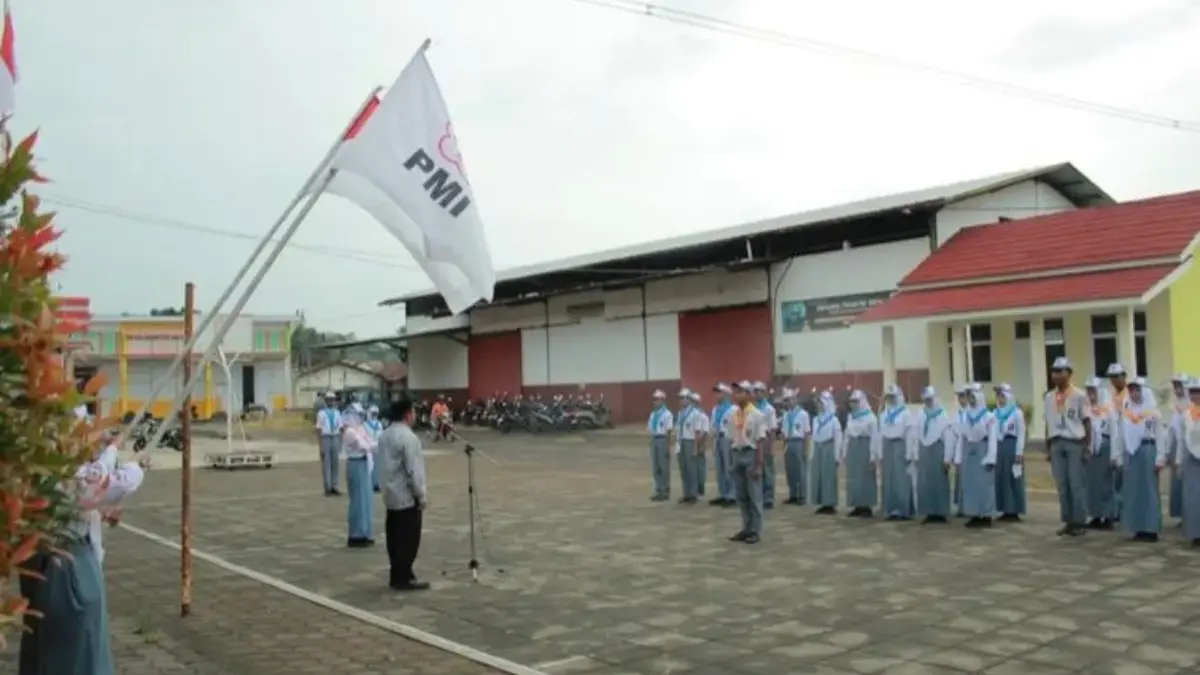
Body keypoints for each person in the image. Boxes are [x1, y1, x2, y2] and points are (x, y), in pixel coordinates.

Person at [19, 440, 150, 675]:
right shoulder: (46, 453)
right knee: (78, 653)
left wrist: (96, 513)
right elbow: (96, 484)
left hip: (44, 559)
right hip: (66, 564)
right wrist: (132, 465)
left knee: (46, 651)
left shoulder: (28, 445)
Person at [378, 399, 430, 591]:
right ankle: (404, 575)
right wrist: (421, 494)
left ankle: (397, 573)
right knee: (408, 538)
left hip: (390, 494)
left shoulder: (384, 435)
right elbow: (413, 470)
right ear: (408, 415)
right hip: (406, 495)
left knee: (394, 537)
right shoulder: (408, 438)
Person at [1112, 377, 1166, 543]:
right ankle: (1137, 527)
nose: (1134, 393)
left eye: (1137, 390)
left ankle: (1151, 528)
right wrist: (1118, 456)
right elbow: (1120, 435)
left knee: (1149, 491)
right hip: (1131, 453)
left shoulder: (1154, 413)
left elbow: (1160, 436)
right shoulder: (1126, 412)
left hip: (1147, 450)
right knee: (1133, 491)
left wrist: (1160, 457)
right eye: (1132, 390)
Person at [1045, 357, 1091, 537]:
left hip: (1074, 441)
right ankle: (1068, 520)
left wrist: (1087, 446)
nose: (1056, 375)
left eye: (1060, 371)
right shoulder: (1049, 397)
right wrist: (1048, 446)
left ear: (1069, 373)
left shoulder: (1079, 395)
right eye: (1054, 371)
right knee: (1062, 484)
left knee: (1076, 483)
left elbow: (1087, 421)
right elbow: (1048, 422)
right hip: (1056, 441)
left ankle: (1079, 521)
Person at [726, 381, 768, 544]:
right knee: (741, 495)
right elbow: (731, 439)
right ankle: (746, 527)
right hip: (738, 453)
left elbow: (760, 441)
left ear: (749, 395)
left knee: (754, 494)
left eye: (741, 391)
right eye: (735, 392)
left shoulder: (757, 414)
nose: (737, 395)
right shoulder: (734, 415)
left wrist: (759, 464)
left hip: (751, 454)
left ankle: (755, 530)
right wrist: (731, 461)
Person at [956, 384, 997, 528]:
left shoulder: (988, 416)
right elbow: (961, 437)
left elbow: (992, 438)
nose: (971, 400)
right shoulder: (966, 415)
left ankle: (986, 515)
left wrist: (991, 456)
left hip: (983, 450)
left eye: (973, 397)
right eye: (969, 397)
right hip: (969, 451)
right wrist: (958, 456)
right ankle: (973, 513)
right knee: (970, 484)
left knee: (984, 484)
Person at [916, 386, 955, 524]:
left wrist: (947, 458)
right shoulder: (921, 414)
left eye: (930, 400)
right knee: (925, 482)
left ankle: (940, 512)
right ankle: (929, 511)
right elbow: (917, 433)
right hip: (925, 452)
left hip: (938, 451)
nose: (928, 403)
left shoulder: (942, 415)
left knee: (939, 482)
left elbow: (949, 439)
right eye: (926, 400)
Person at [1083, 378, 1118, 530]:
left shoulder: (1108, 410)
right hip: (1091, 448)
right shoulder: (1086, 410)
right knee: (1092, 483)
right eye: (1089, 390)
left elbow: (1115, 433)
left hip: (1105, 446)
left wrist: (1114, 455)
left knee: (1106, 483)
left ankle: (1108, 516)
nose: (1091, 394)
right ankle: (1095, 515)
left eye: (1093, 390)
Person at [342, 403, 378, 548]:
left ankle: (366, 533)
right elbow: (365, 446)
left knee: (366, 500)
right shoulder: (350, 432)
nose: (362, 418)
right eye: (359, 415)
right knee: (358, 501)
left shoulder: (360, 429)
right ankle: (356, 535)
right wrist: (379, 442)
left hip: (364, 464)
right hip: (356, 463)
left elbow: (371, 443)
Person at [879, 384, 916, 520]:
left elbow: (911, 434)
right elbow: (881, 433)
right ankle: (890, 509)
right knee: (889, 478)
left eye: (893, 397)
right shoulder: (884, 415)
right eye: (888, 397)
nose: (890, 400)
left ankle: (903, 509)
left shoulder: (905, 413)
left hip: (901, 445)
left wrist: (910, 452)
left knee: (902, 479)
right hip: (887, 446)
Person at [842, 390, 881, 518]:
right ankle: (857, 504)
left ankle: (867, 506)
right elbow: (847, 435)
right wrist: (844, 452)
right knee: (854, 478)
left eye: (856, 402)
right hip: (853, 449)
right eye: (852, 402)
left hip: (865, 448)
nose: (853, 405)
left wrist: (873, 456)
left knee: (866, 478)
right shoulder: (851, 417)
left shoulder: (871, 417)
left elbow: (875, 438)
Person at [993, 383, 1027, 522]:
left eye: (1002, 396)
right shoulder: (995, 413)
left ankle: (1014, 510)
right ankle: (1004, 509)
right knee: (1001, 478)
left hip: (1012, 445)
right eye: (998, 396)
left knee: (1013, 478)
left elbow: (1021, 433)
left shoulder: (1016, 412)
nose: (1000, 399)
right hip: (999, 447)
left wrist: (1019, 452)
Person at [1173, 378, 1200, 546]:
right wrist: (1179, 461)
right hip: (1191, 459)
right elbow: (1181, 440)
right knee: (1192, 498)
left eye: (1198, 392)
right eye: (1193, 392)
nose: (1195, 395)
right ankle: (1195, 534)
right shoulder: (1186, 415)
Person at [810, 389, 843, 515]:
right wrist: (812, 453)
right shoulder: (816, 419)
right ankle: (822, 501)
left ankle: (830, 503)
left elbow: (838, 438)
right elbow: (813, 437)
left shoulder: (833, 420)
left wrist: (837, 455)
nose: (819, 406)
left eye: (821, 403)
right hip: (818, 448)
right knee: (819, 477)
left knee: (828, 477)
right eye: (818, 404)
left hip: (829, 448)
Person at [1106, 363, 1130, 519]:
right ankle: (1118, 511)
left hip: (1128, 440)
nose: (1114, 380)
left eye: (1117, 376)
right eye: (1111, 377)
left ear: (1124, 376)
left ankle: (1125, 511)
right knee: (1116, 479)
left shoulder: (1130, 394)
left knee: (1126, 479)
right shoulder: (1112, 395)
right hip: (1115, 439)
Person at [781, 388, 812, 506]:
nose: (788, 402)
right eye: (786, 400)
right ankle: (792, 494)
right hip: (789, 442)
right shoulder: (786, 414)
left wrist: (806, 448)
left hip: (799, 441)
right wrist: (784, 446)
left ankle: (802, 495)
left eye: (789, 400)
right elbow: (784, 432)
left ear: (795, 400)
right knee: (790, 470)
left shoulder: (803, 414)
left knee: (800, 470)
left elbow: (807, 432)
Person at [1167, 373, 1190, 525]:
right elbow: (1172, 429)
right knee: (1177, 482)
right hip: (1176, 444)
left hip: (1190, 445)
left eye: (1179, 385)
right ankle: (1182, 514)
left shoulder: (1192, 404)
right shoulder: (1176, 405)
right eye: (1175, 386)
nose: (1177, 389)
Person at [753, 382, 779, 509]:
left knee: (767, 469)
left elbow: (773, 429)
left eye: (759, 391)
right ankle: (759, 495)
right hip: (755, 439)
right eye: (755, 391)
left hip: (766, 439)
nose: (756, 394)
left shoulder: (769, 409)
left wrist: (773, 446)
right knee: (757, 468)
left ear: (764, 393)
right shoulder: (752, 407)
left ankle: (768, 497)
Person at [709, 383, 736, 507]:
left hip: (728, 437)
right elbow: (713, 425)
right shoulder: (715, 409)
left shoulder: (733, 409)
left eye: (719, 392)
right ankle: (723, 493)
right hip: (718, 437)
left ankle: (732, 494)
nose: (716, 395)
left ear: (726, 394)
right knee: (720, 467)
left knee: (728, 466)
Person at [674, 388, 702, 504]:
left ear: (688, 399)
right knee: (683, 468)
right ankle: (686, 493)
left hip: (690, 441)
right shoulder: (680, 413)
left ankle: (693, 494)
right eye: (679, 398)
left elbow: (697, 432)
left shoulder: (695, 413)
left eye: (682, 398)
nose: (680, 400)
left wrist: (695, 447)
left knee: (691, 468)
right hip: (681, 441)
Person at [647, 389, 674, 502]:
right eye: (653, 399)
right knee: (656, 466)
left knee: (664, 467)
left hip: (663, 439)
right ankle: (659, 489)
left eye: (657, 399)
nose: (655, 402)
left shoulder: (667, 414)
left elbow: (669, 431)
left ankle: (665, 491)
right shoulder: (653, 414)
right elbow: (650, 428)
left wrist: (669, 446)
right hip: (654, 439)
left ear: (663, 400)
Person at [315, 392, 343, 496]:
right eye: (329, 399)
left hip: (335, 436)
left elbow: (340, 428)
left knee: (335, 463)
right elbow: (318, 429)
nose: (331, 401)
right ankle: (327, 487)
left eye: (333, 399)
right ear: (326, 401)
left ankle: (334, 486)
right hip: (326, 437)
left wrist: (340, 441)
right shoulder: (321, 413)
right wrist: (321, 445)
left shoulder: (337, 412)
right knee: (326, 463)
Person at [951, 383, 971, 518]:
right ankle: (961, 506)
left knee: (970, 477)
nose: (961, 400)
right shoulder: (956, 415)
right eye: (959, 397)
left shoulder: (973, 413)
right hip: (959, 447)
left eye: (963, 396)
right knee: (960, 478)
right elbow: (953, 434)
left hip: (970, 448)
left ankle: (970, 506)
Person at [689, 391, 711, 498]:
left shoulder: (702, 415)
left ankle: (700, 488)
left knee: (700, 467)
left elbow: (705, 432)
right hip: (692, 441)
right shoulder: (690, 414)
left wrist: (702, 444)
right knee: (694, 467)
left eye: (692, 401)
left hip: (699, 442)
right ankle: (695, 487)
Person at [366, 404, 384, 493]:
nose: (374, 415)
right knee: (369, 466)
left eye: (376, 413)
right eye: (373, 413)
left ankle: (376, 484)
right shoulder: (365, 424)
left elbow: (381, 434)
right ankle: (369, 484)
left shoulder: (379, 424)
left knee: (377, 466)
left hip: (377, 446)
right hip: (368, 447)